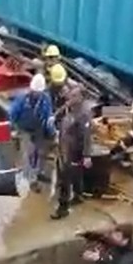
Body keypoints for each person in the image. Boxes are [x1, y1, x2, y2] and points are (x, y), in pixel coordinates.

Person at [9, 73, 56, 192]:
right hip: (24, 129)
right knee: (28, 153)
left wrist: (51, 132)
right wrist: (13, 129)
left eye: (39, 92)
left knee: (40, 152)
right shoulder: (22, 99)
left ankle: (38, 172)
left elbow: (48, 116)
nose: (36, 94)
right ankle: (32, 180)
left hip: (39, 128)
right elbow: (13, 114)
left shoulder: (45, 99)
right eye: (35, 92)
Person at [51, 86, 93, 219]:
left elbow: (87, 136)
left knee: (65, 179)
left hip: (73, 151)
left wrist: (87, 155)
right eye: (70, 95)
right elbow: (61, 121)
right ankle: (78, 195)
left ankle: (62, 208)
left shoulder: (84, 114)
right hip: (64, 148)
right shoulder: (69, 109)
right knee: (75, 174)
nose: (70, 98)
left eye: (74, 96)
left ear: (81, 98)